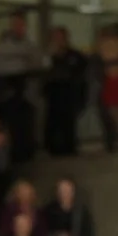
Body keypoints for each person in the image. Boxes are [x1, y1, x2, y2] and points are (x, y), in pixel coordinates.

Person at [42, 28, 88, 156]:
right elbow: (44, 73)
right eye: (55, 38)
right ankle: (54, 149)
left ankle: (70, 147)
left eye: (61, 37)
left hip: (69, 93)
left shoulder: (75, 55)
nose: (59, 41)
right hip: (54, 94)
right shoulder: (48, 57)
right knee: (54, 122)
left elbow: (81, 71)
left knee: (68, 122)